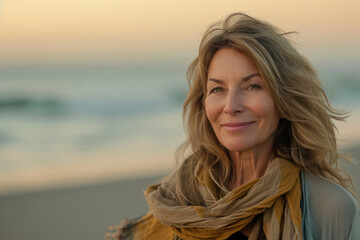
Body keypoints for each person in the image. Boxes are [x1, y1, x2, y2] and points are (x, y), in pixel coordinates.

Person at [106, 12, 360, 240]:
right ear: (204, 103)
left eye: (253, 86)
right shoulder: (177, 197)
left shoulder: (328, 206)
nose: (231, 105)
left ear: (284, 100)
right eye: (218, 89)